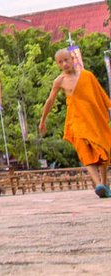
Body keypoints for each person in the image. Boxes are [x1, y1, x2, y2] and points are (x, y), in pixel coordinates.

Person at [38, 48, 111, 197]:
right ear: (58, 64)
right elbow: (50, 100)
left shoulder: (87, 76)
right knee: (85, 152)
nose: (64, 64)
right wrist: (42, 120)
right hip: (76, 121)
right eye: (61, 62)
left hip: (94, 119)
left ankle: (105, 184)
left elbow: (101, 94)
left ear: (72, 59)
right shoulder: (60, 81)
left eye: (66, 60)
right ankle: (98, 185)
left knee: (102, 150)